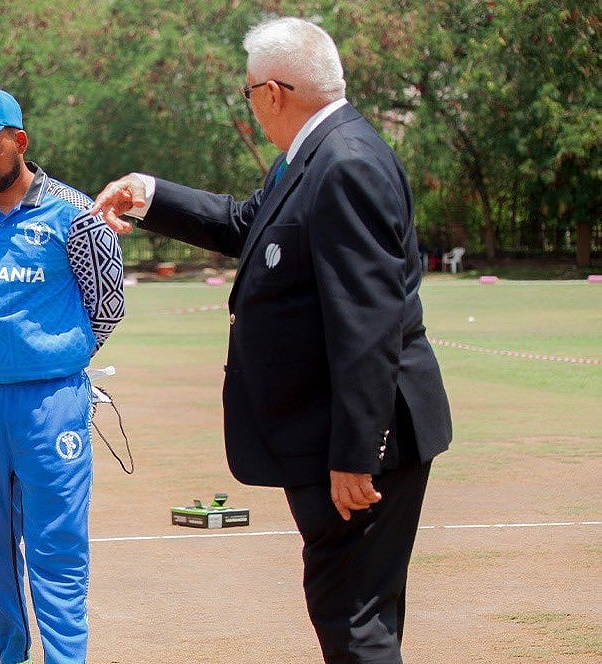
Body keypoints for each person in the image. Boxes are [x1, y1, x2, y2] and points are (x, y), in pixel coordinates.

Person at [89, 17, 452, 664]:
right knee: (356, 613)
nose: (251, 105)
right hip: (334, 433)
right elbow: (248, 223)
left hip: (356, 444)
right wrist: (151, 195)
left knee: (352, 622)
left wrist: (354, 452)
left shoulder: (343, 163)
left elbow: (367, 320)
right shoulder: (313, 155)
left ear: (273, 93)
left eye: (248, 92)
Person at [0, 86, 125, 664]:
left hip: (51, 403)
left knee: (57, 547)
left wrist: (51, 356)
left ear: (20, 141)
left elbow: (107, 304)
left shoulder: (77, 213)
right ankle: (10, 654)